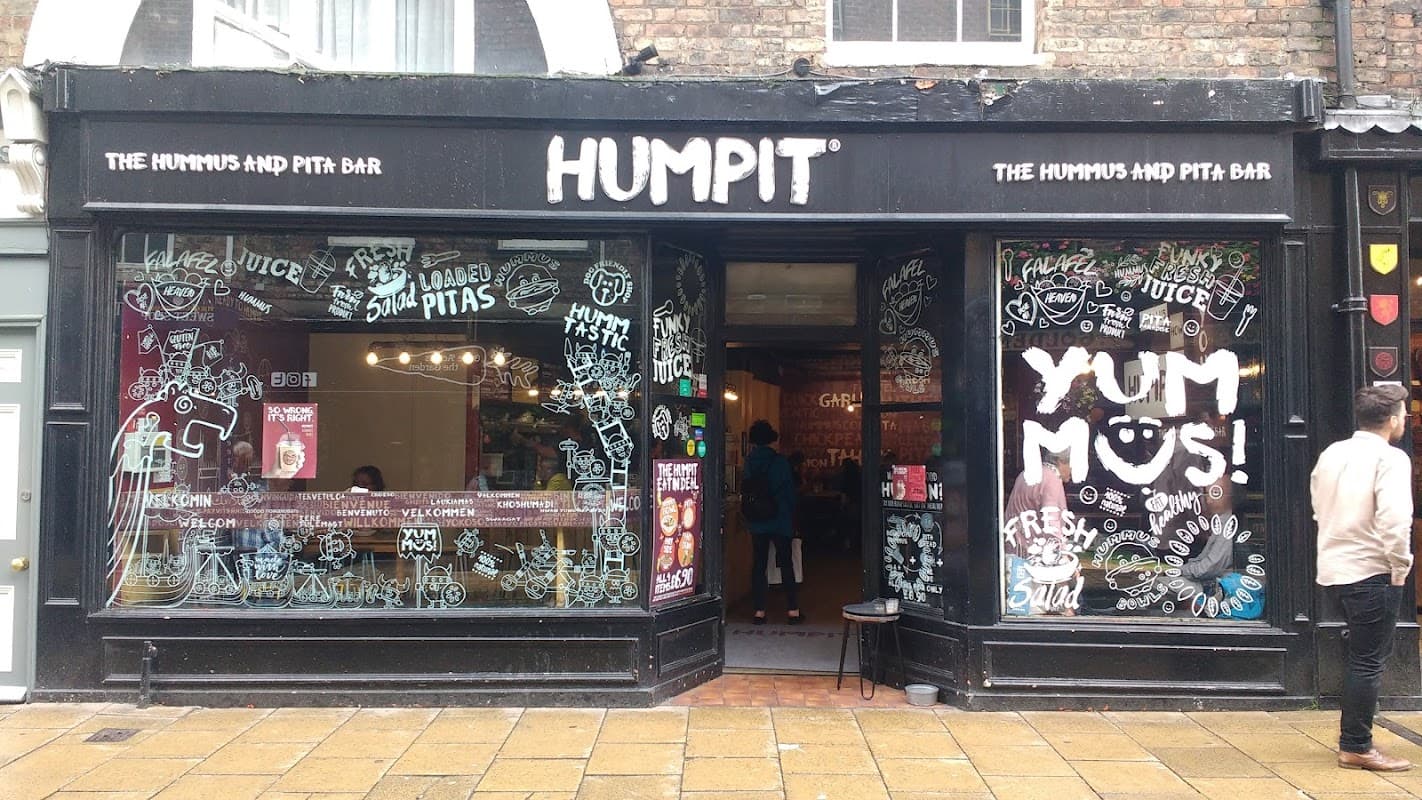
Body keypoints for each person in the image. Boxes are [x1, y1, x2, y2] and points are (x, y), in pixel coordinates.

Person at [1312, 384, 1414, 772]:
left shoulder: (1332, 453)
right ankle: (1356, 745)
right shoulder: (1391, 459)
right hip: (1374, 570)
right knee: (1369, 661)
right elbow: (1394, 520)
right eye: (1402, 414)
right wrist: (1400, 567)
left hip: (1336, 569)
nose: (1404, 419)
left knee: (1359, 657)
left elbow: (1319, 507)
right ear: (1391, 420)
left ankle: (1354, 736)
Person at [744, 419, 802, 625]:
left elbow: (747, 489)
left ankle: (759, 611)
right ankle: (792, 610)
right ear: (771, 440)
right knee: (786, 563)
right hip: (780, 520)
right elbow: (789, 494)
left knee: (759, 565)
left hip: (757, 521)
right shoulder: (780, 462)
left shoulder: (749, 462)